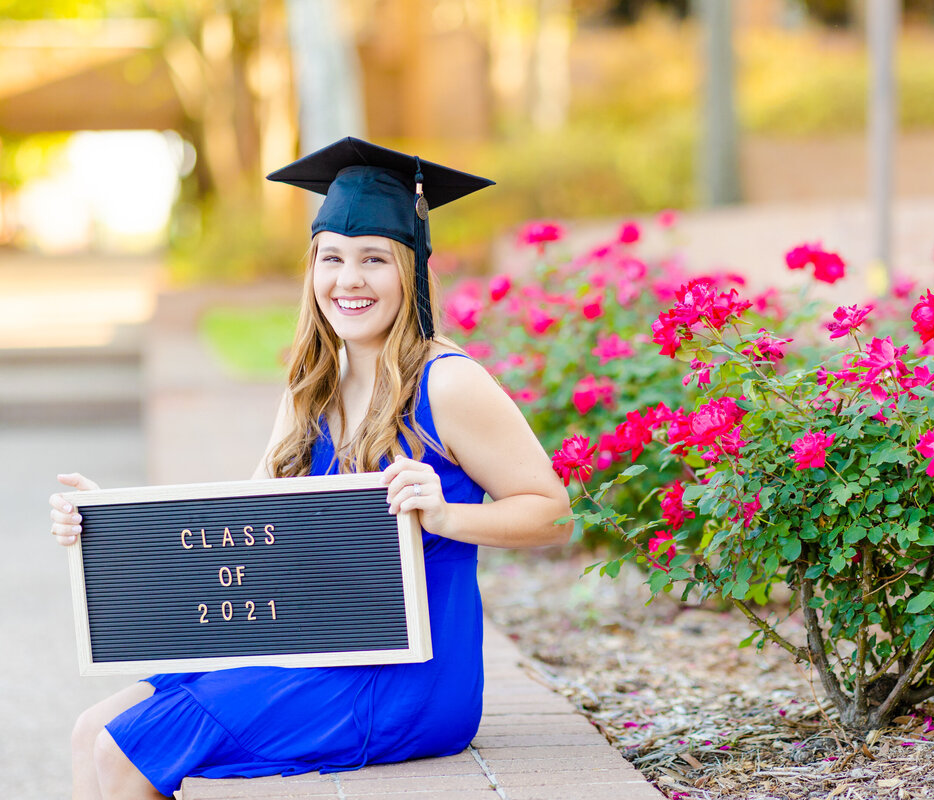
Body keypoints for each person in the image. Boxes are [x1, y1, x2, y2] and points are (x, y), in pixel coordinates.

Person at [48, 138, 573, 800]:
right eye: (332, 259)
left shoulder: (447, 383)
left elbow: (552, 512)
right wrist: (112, 527)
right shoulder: (312, 386)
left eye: (374, 259)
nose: (348, 280)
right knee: (90, 730)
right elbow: (243, 526)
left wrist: (445, 515)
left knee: (125, 750)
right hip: (314, 647)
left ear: (410, 271)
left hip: (409, 674)